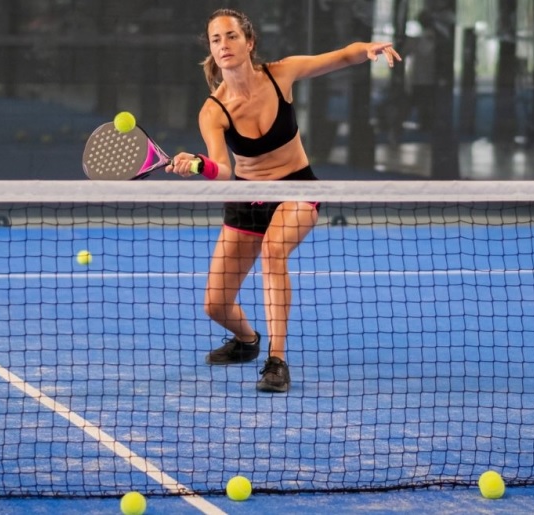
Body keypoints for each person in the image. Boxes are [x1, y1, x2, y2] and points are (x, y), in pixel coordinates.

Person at [166, 8, 400, 393]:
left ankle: (277, 361)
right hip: (246, 198)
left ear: (249, 42)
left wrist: (369, 49)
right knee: (215, 305)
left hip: (296, 188)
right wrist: (198, 166)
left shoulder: (281, 74)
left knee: (274, 252)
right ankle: (247, 342)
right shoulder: (214, 110)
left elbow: (339, 57)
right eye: (216, 39)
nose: (224, 45)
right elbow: (223, 170)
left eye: (231, 36)